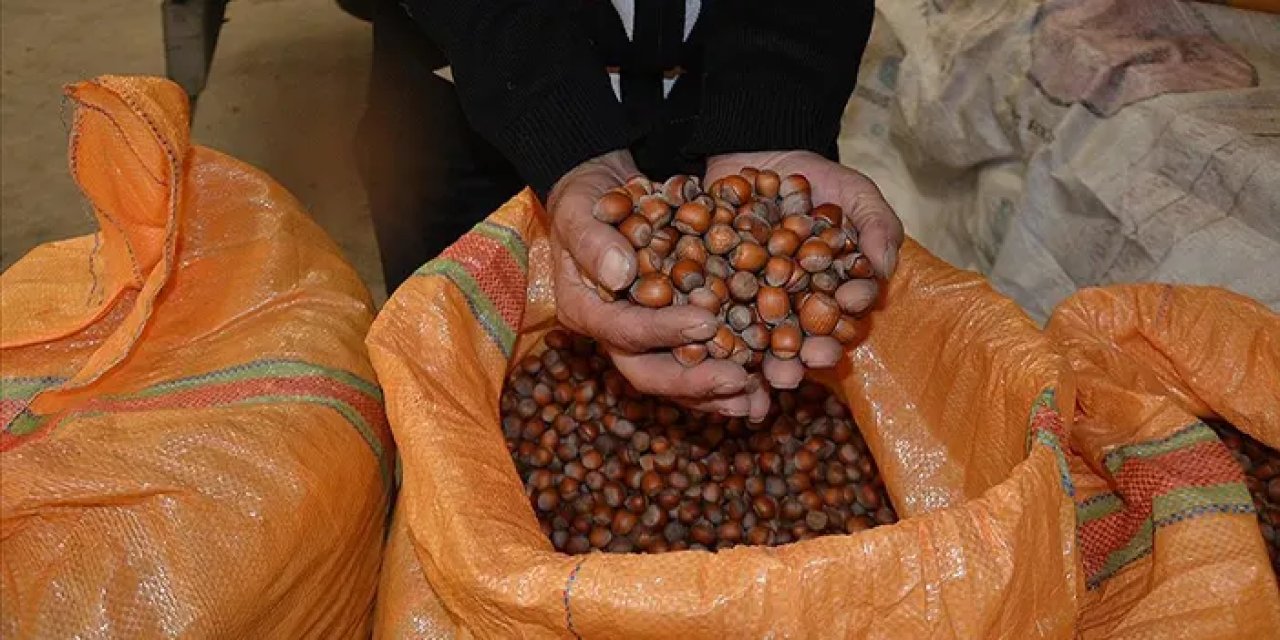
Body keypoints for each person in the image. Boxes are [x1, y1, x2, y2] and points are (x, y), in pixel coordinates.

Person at [356, 1, 904, 420]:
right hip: (477, 78)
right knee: (445, 372)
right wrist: (554, 122)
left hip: (726, 75)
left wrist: (774, 102)